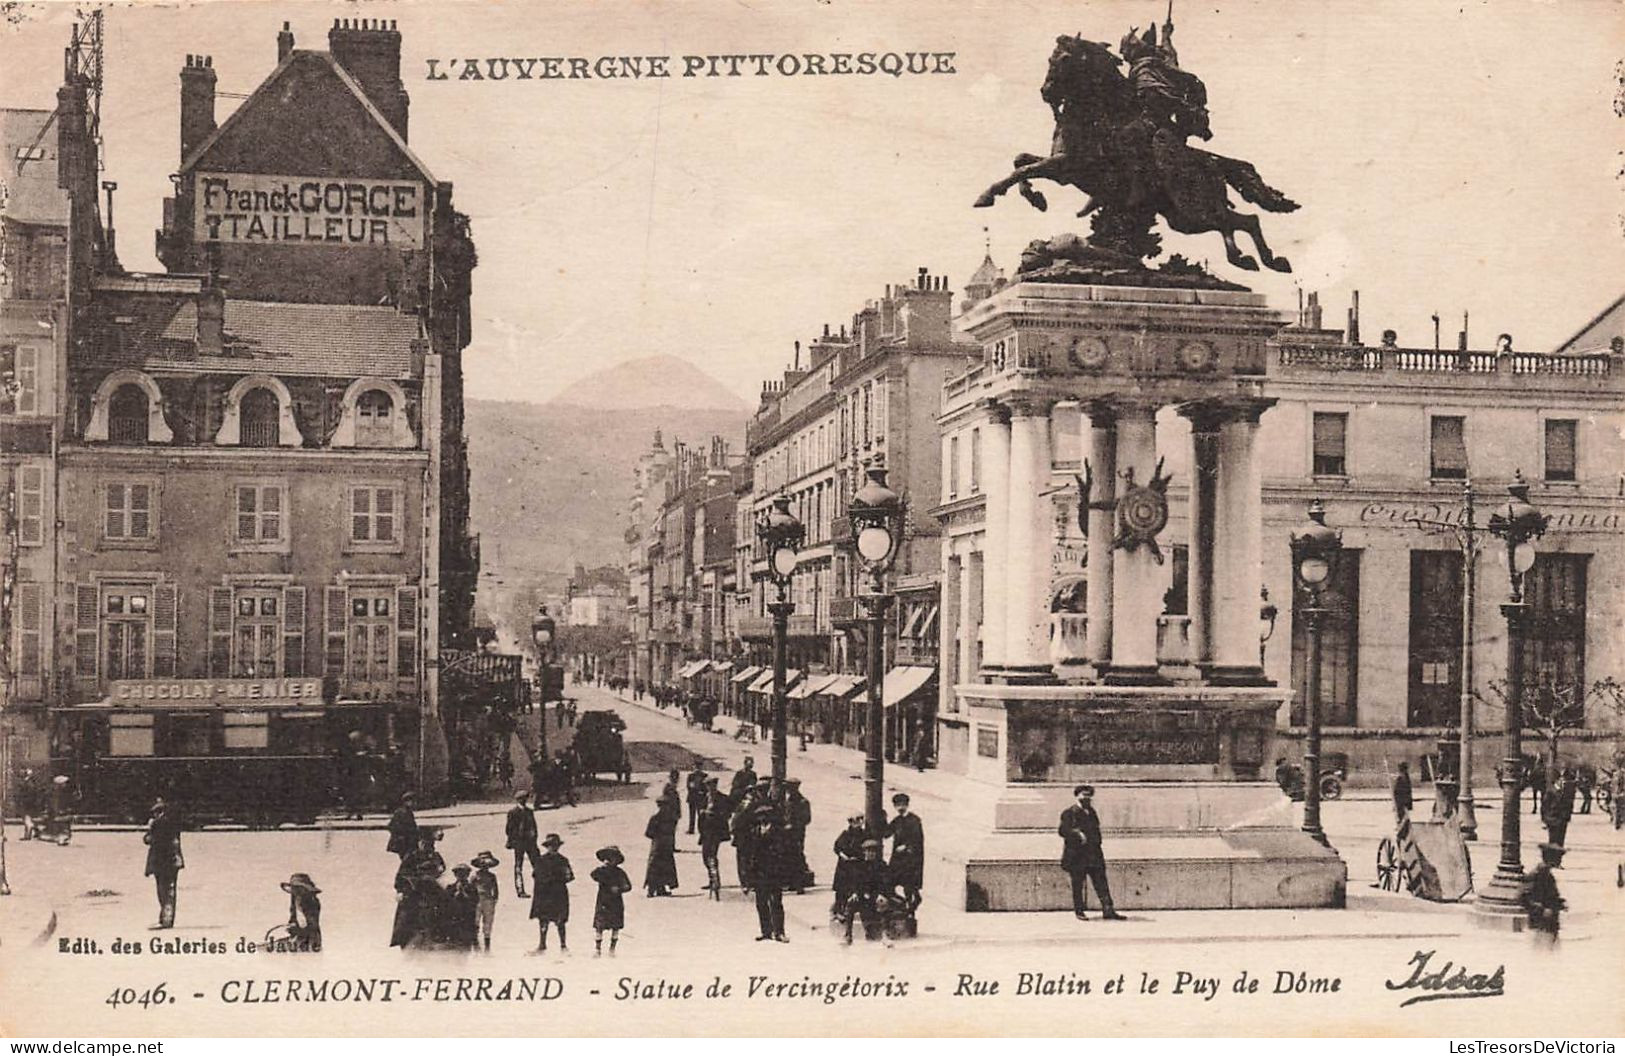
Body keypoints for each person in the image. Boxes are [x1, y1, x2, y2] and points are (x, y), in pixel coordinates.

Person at [1058, 784, 1123, 921]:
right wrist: (1077, 834)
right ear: (1077, 796)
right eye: (1083, 795)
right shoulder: (1069, 812)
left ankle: (1108, 910)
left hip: (1093, 854)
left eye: (1089, 795)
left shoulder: (1092, 812)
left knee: (1101, 883)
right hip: (1077, 855)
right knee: (1078, 884)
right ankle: (1079, 911)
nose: (1086, 798)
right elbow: (1062, 831)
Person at [391, 829, 447, 949]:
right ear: (419, 843)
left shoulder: (434, 855)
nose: (427, 846)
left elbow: (442, 868)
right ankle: (403, 937)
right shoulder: (412, 856)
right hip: (414, 888)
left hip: (431, 887)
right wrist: (400, 889)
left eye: (430, 844)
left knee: (443, 903)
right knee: (406, 911)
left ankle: (439, 934)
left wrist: (438, 870)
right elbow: (401, 874)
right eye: (424, 843)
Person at [751, 800, 790, 942]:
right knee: (761, 903)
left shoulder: (778, 832)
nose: (762, 819)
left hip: (774, 872)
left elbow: (783, 853)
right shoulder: (755, 831)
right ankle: (766, 931)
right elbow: (752, 854)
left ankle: (779, 932)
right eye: (760, 816)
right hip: (760, 873)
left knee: (776, 902)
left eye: (765, 815)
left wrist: (784, 874)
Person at [143, 798, 184, 929]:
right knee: (170, 892)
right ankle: (167, 919)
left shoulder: (158, 824)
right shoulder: (173, 823)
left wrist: (150, 828)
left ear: (158, 812)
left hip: (162, 862)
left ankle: (165, 921)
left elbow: (149, 839)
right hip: (173, 861)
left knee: (163, 892)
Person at [531, 833, 573, 952]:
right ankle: (542, 944)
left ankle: (563, 945)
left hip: (559, 894)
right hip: (544, 894)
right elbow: (535, 875)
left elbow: (570, 876)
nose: (553, 848)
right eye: (551, 845)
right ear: (547, 847)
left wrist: (561, 878)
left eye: (555, 845)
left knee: (560, 920)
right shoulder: (541, 860)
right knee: (543, 920)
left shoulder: (563, 860)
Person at [885, 793, 924, 912]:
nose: (900, 808)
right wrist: (882, 818)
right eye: (897, 805)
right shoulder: (896, 820)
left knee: (909, 886)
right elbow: (886, 834)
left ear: (907, 805)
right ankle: (903, 904)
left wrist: (906, 847)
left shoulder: (914, 820)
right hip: (898, 859)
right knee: (889, 882)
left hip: (911, 860)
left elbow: (918, 840)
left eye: (902, 805)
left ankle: (910, 908)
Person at [591, 846, 633, 956]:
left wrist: (619, 889)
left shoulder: (619, 873)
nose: (609, 860)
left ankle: (612, 949)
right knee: (600, 926)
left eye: (612, 858)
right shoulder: (601, 871)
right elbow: (593, 875)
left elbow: (628, 886)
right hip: (603, 901)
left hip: (616, 902)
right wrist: (603, 868)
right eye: (607, 858)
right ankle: (598, 949)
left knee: (615, 926)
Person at [1521, 843, 1566, 945]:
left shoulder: (1547, 875)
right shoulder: (1536, 875)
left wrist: (1560, 903)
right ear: (1551, 859)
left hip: (1549, 925)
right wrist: (1542, 910)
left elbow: (1550, 896)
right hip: (1539, 926)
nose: (1560, 861)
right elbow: (1523, 897)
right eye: (1558, 858)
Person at [698, 780, 731, 900]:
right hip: (705, 831)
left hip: (716, 832)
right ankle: (712, 879)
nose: (710, 789)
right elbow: (700, 813)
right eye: (708, 786)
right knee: (705, 856)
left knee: (711, 855)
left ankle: (715, 881)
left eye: (712, 786)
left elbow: (728, 813)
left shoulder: (722, 798)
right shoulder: (703, 798)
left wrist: (715, 814)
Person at [644, 794, 680, 896]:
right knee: (657, 866)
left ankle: (660, 889)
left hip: (661, 845)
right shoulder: (661, 819)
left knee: (662, 867)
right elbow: (649, 833)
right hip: (660, 845)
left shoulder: (662, 818)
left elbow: (649, 833)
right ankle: (652, 890)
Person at [831, 814, 867, 916]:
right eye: (852, 821)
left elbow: (867, 848)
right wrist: (843, 855)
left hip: (858, 865)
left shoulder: (864, 834)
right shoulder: (845, 834)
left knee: (855, 887)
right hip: (844, 866)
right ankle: (839, 910)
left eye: (858, 820)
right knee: (841, 889)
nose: (855, 823)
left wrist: (858, 857)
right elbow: (837, 847)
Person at [506, 790, 540, 898]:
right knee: (518, 867)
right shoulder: (513, 812)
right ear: (518, 800)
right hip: (519, 843)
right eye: (522, 799)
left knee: (537, 865)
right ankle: (520, 890)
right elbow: (509, 829)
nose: (524, 801)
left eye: (525, 798)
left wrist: (534, 838)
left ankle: (540, 887)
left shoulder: (529, 812)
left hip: (530, 842)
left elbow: (534, 827)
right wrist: (514, 840)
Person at [280, 872, 322, 952]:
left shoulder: (312, 903)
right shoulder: (295, 902)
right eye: (294, 889)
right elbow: (293, 918)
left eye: (298, 889)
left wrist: (297, 929)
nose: (296, 892)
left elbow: (312, 925)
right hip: (297, 938)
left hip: (309, 940)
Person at [784, 779, 814, 892]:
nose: (788, 791)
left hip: (797, 834)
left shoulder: (803, 802)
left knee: (797, 858)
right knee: (788, 857)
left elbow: (807, 819)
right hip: (787, 834)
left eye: (790, 788)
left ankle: (799, 885)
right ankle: (791, 882)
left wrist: (793, 825)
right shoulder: (787, 801)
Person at [471, 850, 502, 953]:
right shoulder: (475, 876)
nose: (484, 866)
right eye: (482, 864)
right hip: (477, 900)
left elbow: (495, 889)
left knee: (488, 923)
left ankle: (487, 947)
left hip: (488, 900)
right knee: (475, 921)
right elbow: (471, 888)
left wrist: (494, 900)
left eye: (487, 864)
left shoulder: (492, 876)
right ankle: (475, 944)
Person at [444, 864, 480, 951]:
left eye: (464, 874)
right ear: (455, 875)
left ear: (467, 875)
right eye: (459, 874)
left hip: (467, 923)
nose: (461, 876)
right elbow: (445, 903)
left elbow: (475, 902)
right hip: (454, 923)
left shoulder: (472, 888)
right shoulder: (450, 888)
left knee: (466, 949)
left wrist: (464, 894)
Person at [1543, 768, 1577, 848]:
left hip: (1562, 819)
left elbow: (1569, 803)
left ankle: (1558, 855)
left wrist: (1567, 816)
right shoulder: (1550, 791)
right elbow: (1545, 806)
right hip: (1553, 819)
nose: (1562, 781)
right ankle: (1553, 857)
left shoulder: (1566, 789)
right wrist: (1547, 819)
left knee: (1561, 840)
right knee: (1553, 840)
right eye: (1559, 779)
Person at [386, 792, 419, 860]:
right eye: (412, 801)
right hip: (404, 842)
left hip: (406, 842)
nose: (414, 803)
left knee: (408, 860)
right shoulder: (402, 812)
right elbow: (392, 826)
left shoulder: (407, 811)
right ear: (406, 802)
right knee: (407, 860)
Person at [685, 767, 709, 835]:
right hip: (693, 797)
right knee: (692, 814)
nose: (697, 769)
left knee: (700, 815)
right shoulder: (691, 776)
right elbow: (688, 786)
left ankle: (701, 829)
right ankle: (691, 829)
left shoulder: (704, 776)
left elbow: (706, 786)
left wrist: (702, 792)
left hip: (700, 798)